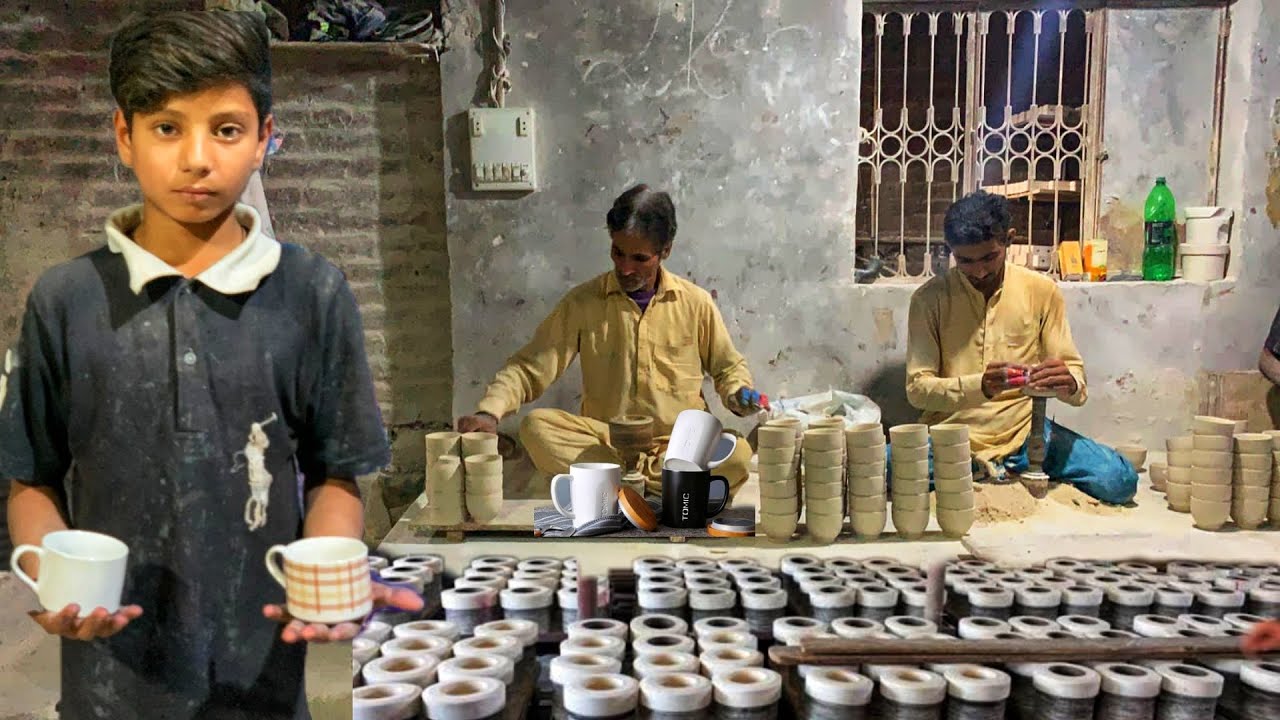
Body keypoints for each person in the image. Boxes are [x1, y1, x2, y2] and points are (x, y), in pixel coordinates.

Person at [1, 12, 418, 719]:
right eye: (167, 128)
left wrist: (327, 570)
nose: (197, 158)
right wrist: (51, 578)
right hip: (109, 686)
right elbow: (31, 481)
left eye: (226, 129)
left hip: (263, 680)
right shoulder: (66, 300)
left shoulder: (312, 293)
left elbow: (335, 475)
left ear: (264, 139)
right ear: (124, 136)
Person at [456, 184, 764, 497]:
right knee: (536, 428)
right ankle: (654, 488)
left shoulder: (695, 303)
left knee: (737, 456)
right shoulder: (583, 302)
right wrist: (489, 412)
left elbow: (728, 368)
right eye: (618, 253)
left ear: (665, 251)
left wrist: (738, 394)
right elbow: (529, 367)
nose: (625, 268)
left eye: (640, 258)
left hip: (678, 445)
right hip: (608, 444)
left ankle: (628, 487)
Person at [904, 191, 1137, 504]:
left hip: (1027, 432)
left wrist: (1067, 382)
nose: (979, 271)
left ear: (1008, 240)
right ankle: (980, 467)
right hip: (950, 435)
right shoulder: (928, 299)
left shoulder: (1042, 291)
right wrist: (980, 386)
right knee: (874, 469)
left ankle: (990, 468)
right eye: (965, 261)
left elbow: (1075, 379)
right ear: (951, 252)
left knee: (1119, 480)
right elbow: (917, 389)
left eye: (989, 257)